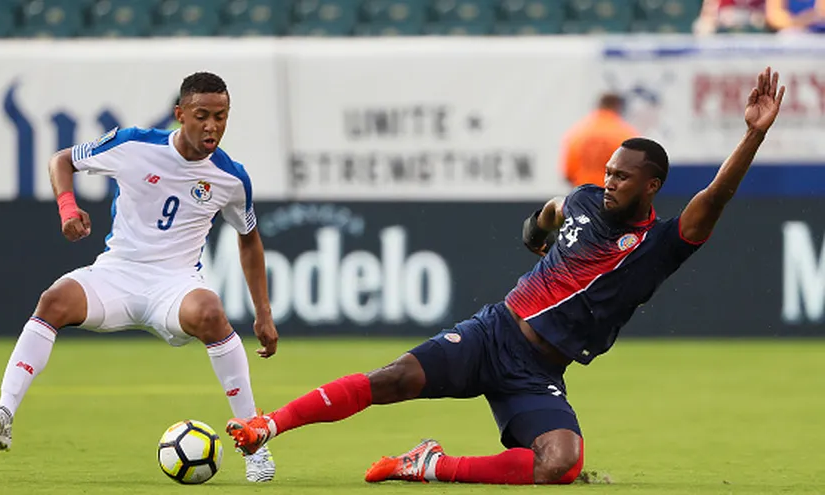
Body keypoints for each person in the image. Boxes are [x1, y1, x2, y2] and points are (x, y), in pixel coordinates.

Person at [224, 67, 786, 485]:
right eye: (609, 172)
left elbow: (716, 197)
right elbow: (551, 210)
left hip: (538, 370)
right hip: (493, 333)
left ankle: (429, 465)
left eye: (622, 176)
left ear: (651, 185)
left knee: (561, 464)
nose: (609, 181)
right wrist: (537, 234)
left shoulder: (661, 244)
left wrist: (753, 136)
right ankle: (266, 427)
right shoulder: (585, 199)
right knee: (391, 379)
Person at [0, 72, 280, 483]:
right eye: (202, 115)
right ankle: (4, 412)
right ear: (179, 114)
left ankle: (254, 444)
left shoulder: (231, 177)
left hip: (176, 284)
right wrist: (67, 208)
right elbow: (62, 160)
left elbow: (249, 240)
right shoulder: (133, 144)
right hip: (117, 273)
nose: (212, 126)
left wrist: (263, 312)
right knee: (54, 300)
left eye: (221, 116)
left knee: (209, 312)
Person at [561, 93, 637, 188]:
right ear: (618, 107)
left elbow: (568, 172)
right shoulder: (625, 133)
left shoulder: (578, 132)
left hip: (583, 196)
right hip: (614, 196)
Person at [694, 0, 767, 35]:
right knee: (703, 27)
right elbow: (707, 15)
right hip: (722, 24)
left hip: (754, 24)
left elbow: (772, 16)